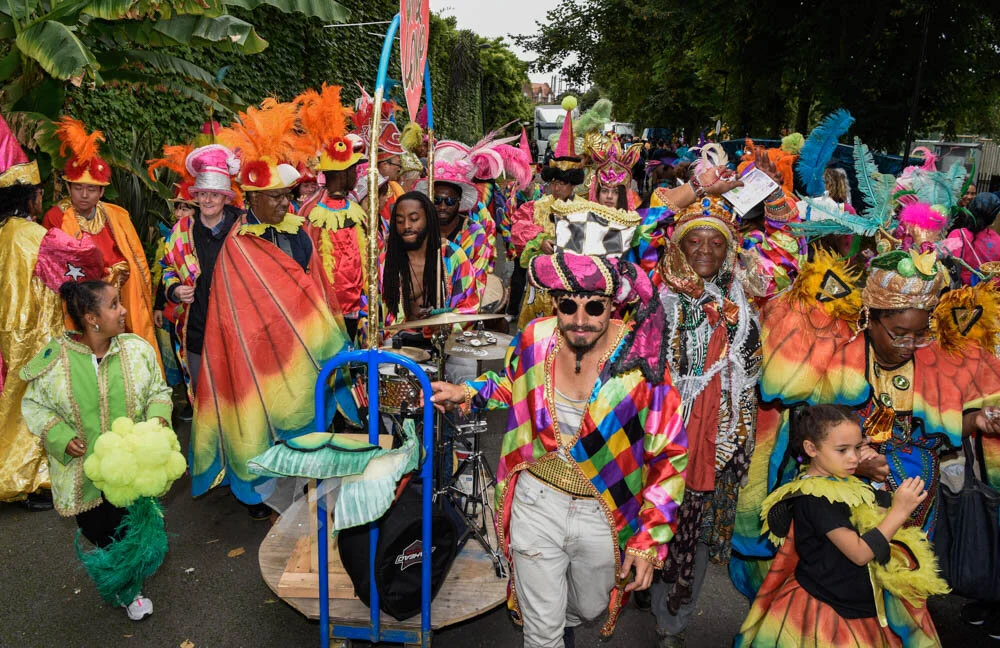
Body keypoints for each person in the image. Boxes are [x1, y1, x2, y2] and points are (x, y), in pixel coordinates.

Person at [430, 251, 686, 648]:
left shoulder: (642, 358)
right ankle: (547, 621)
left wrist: (649, 539)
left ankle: (557, 615)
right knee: (542, 633)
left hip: (603, 511)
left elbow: (669, 452)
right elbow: (514, 383)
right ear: (554, 303)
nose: (580, 319)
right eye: (569, 306)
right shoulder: (536, 337)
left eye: (594, 307)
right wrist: (467, 392)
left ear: (612, 305)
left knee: (588, 608)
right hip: (536, 502)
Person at [729, 246, 1000, 600]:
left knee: (898, 590)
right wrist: (856, 463)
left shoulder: (932, 360)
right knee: (842, 590)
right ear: (869, 319)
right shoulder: (837, 356)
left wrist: (976, 419)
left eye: (920, 334)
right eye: (899, 333)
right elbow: (806, 437)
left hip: (914, 505)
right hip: (840, 503)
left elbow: (937, 433)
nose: (909, 345)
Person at [191, 99, 357, 517]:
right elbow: (233, 314)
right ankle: (261, 491)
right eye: (276, 197)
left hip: (303, 347)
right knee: (261, 420)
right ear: (253, 199)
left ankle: (305, 480)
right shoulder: (238, 245)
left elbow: (315, 291)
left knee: (305, 411)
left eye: (286, 195)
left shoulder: (299, 232)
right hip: (258, 355)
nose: (285, 203)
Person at [647, 196, 763, 648]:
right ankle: (646, 583)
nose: (705, 251)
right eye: (694, 241)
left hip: (719, 437)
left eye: (716, 243)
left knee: (692, 533)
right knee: (655, 518)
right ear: (679, 246)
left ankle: (672, 619)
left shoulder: (743, 304)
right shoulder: (657, 300)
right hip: (665, 434)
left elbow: (750, 377)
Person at [20, 280, 172, 620]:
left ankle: (129, 588)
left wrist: (158, 417)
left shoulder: (137, 350)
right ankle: (118, 572)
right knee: (96, 530)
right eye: (114, 304)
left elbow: (158, 391)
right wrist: (60, 436)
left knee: (128, 526)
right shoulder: (56, 360)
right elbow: (34, 405)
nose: (124, 310)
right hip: (82, 475)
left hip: (129, 471)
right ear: (91, 318)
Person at [735, 404, 945, 647]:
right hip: (829, 613)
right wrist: (899, 512)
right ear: (811, 448)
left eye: (857, 447)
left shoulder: (841, 480)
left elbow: (868, 516)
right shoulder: (815, 498)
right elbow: (859, 553)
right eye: (842, 450)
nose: (854, 458)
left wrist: (882, 489)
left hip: (854, 600)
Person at [43, 117, 159, 363]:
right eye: (78, 188)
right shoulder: (56, 217)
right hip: (76, 306)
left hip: (116, 303)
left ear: (102, 191)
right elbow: (51, 268)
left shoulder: (117, 216)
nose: (84, 195)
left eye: (91, 189)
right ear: (69, 188)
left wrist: (118, 272)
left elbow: (132, 260)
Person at [0, 115, 61, 509]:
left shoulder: (4, 234)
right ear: (29, 198)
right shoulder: (36, 236)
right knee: (30, 406)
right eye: (39, 193)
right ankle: (27, 480)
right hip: (32, 339)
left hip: (6, 339)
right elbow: (62, 284)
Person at [160, 144, 242, 396]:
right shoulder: (182, 229)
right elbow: (167, 266)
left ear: (226, 197)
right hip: (195, 330)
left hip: (235, 331)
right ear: (195, 196)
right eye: (203, 194)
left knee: (234, 396)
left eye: (215, 195)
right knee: (201, 395)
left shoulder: (242, 230)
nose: (207, 200)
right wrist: (175, 289)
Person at [295, 84, 369, 339]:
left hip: (356, 308)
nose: (356, 175)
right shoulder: (311, 211)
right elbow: (305, 261)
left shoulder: (355, 209)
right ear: (343, 173)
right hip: (323, 311)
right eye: (353, 170)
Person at [380, 191, 479, 333]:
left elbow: (470, 305)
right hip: (396, 340)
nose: (406, 226)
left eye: (414, 219)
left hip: (444, 340)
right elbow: (368, 310)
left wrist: (446, 324)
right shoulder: (384, 263)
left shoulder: (453, 256)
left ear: (429, 219)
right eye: (400, 221)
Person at [588, 135, 642, 210]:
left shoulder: (632, 217)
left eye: (616, 192)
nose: (609, 196)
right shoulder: (584, 216)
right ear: (597, 193)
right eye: (604, 191)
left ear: (623, 195)